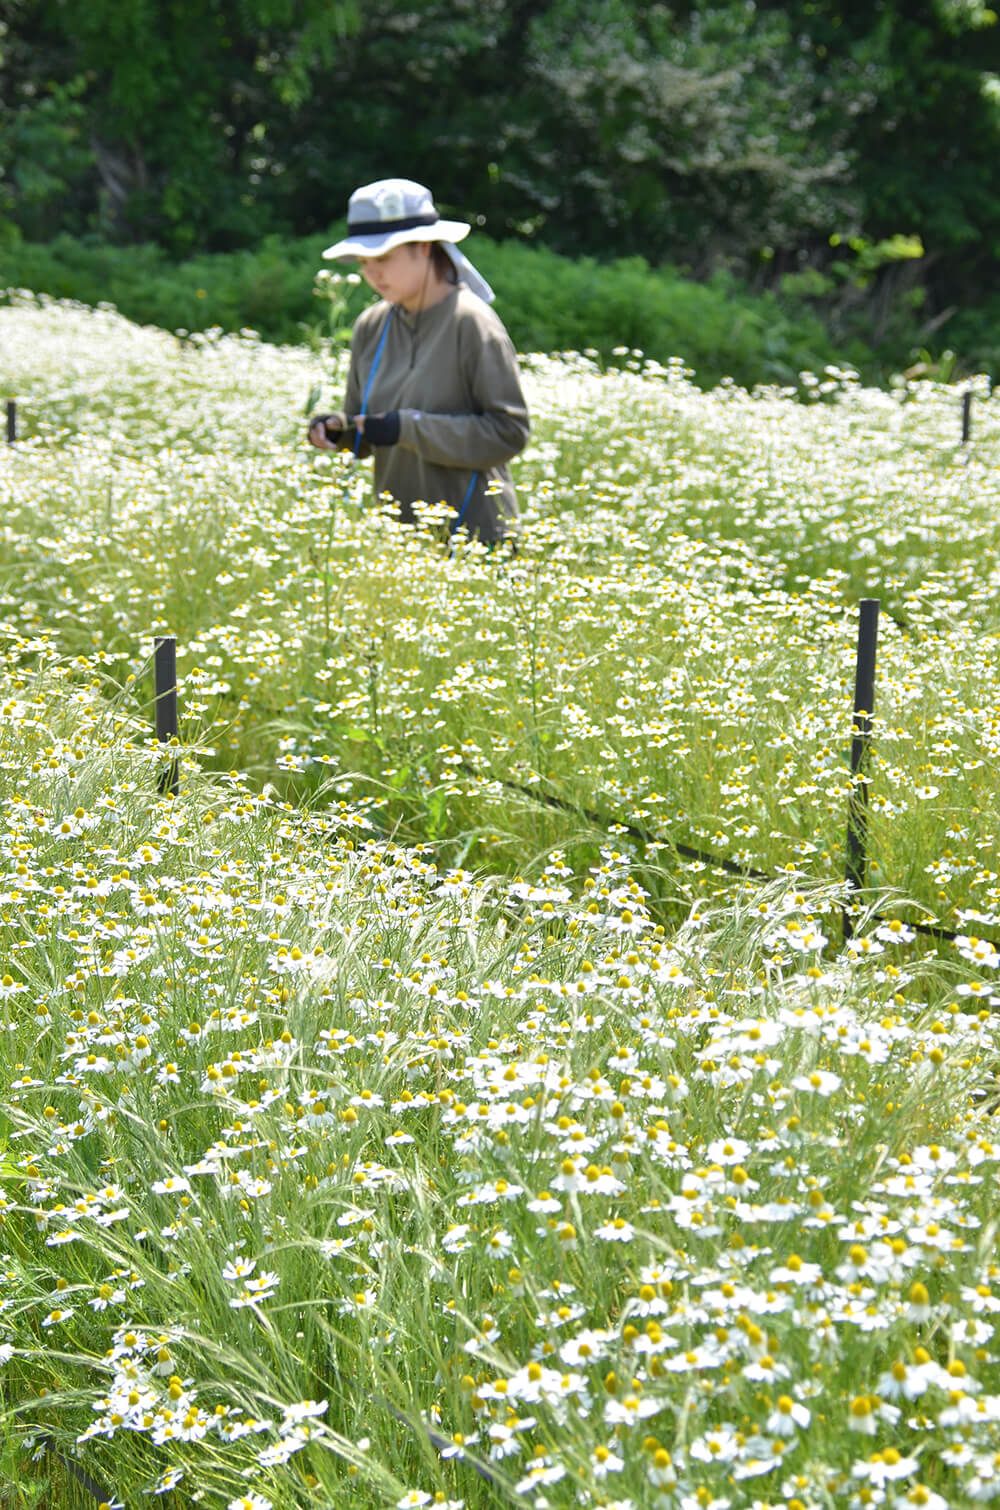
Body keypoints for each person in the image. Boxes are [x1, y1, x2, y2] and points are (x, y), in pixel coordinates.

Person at [307, 178, 529, 543]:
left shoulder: (471, 323)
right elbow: (365, 436)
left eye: (383, 257)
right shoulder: (371, 326)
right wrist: (337, 429)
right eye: (364, 261)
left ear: (424, 247)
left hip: (476, 541)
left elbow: (509, 433)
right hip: (400, 549)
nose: (372, 273)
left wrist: (407, 428)